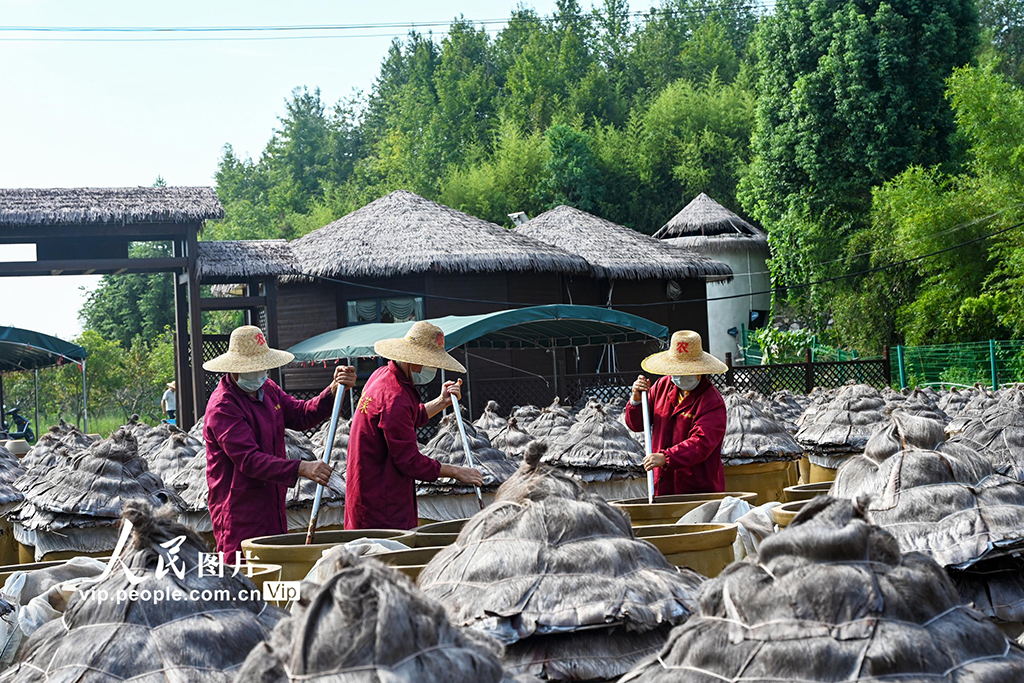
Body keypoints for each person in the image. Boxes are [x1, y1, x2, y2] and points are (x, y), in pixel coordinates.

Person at [202, 325, 356, 557]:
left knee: (276, 570)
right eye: (251, 368)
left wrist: (332, 391)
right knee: (246, 577)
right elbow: (250, 460)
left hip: (272, 505)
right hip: (239, 512)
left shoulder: (269, 389)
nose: (259, 372)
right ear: (234, 369)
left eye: (262, 366)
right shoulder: (223, 406)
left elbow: (301, 414)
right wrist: (302, 468)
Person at [346, 321, 483, 530]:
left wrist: (442, 401)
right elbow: (410, 461)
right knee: (387, 559)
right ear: (412, 360)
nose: (429, 367)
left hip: (368, 490)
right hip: (381, 506)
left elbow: (409, 417)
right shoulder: (395, 397)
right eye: (427, 361)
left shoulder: (382, 376)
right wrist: (456, 472)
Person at [623, 329, 728, 496]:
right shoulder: (661, 386)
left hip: (698, 489)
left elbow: (701, 443)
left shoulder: (712, 401)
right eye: (676, 370)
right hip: (663, 484)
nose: (680, 376)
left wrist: (666, 457)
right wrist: (636, 400)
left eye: (686, 371)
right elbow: (636, 424)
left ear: (700, 370)